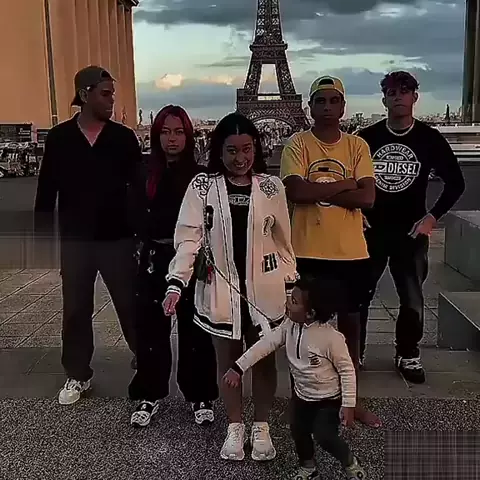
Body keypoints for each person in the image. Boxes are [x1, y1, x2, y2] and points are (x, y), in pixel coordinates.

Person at [162, 112, 297, 461]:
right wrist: (177, 282)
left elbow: (283, 243)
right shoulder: (202, 186)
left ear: (256, 148)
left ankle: (262, 425)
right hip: (221, 291)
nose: (240, 158)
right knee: (228, 361)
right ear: (218, 151)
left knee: (264, 361)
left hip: (265, 291)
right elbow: (189, 237)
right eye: (232, 150)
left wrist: (290, 284)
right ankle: (235, 425)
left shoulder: (272, 187)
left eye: (247, 149)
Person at [34, 66, 144, 405]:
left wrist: (141, 234)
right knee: (75, 310)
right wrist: (41, 236)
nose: (111, 101)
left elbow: (139, 189)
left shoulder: (123, 138)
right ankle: (78, 374)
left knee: (130, 305)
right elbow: (46, 188)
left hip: (118, 239)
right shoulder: (60, 138)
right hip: (76, 241)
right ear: (84, 95)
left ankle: (146, 359)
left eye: (112, 94)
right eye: (105, 94)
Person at [280, 75, 381, 428]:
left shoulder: (357, 145)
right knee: (300, 332)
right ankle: (303, 401)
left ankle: (350, 402)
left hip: (351, 254)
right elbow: (296, 192)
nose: (326, 107)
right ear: (309, 107)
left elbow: (367, 198)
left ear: (343, 106)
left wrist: (319, 189)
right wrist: (346, 184)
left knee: (351, 334)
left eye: (333, 100)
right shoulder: (297, 144)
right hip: (307, 252)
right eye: (320, 101)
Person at [356, 71, 465, 383]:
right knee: (360, 295)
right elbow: (349, 179)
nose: (398, 97)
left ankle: (407, 353)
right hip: (370, 231)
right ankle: (354, 352)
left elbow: (456, 183)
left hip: (410, 232)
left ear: (415, 97)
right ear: (384, 100)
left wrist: (432, 217)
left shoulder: (430, 139)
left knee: (412, 298)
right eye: (392, 92)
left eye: (404, 91)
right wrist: (356, 212)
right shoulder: (366, 138)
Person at [223, 276, 367, 480]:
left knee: (325, 436)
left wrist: (349, 404)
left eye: (294, 301)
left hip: (328, 400)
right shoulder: (288, 327)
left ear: (310, 313)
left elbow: (347, 370)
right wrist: (238, 367)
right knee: (299, 432)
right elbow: (265, 344)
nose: (287, 303)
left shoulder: (331, 338)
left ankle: (350, 461)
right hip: (302, 397)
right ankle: (308, 467)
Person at [128, 105, 218, 427]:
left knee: (196, 328)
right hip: (154, 256)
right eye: (165, 132)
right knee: (151, 329)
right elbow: (133, 213)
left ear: (188, 136)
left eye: (179, 132)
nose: (172, 139)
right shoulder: (143, 172)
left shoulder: (202, 176)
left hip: (192, 257)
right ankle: (149, 392)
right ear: (156, 135)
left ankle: (200, 393)